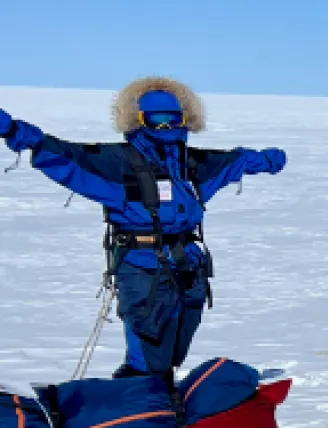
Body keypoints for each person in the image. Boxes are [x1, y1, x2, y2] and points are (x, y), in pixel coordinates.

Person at [1, 76, 288, 380]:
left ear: (185, 119)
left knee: (175, 347)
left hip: (188, 264)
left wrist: (270, 160)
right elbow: (60, 151)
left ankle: (163, 405)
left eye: (172, 119)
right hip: (142, 269)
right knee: (147, 351)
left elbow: (237, 161)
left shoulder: (195, 166)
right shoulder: (116, 163)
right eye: (156, 120)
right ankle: (136, 403)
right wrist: (11, 130)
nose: (165, 127)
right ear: (137, 121)